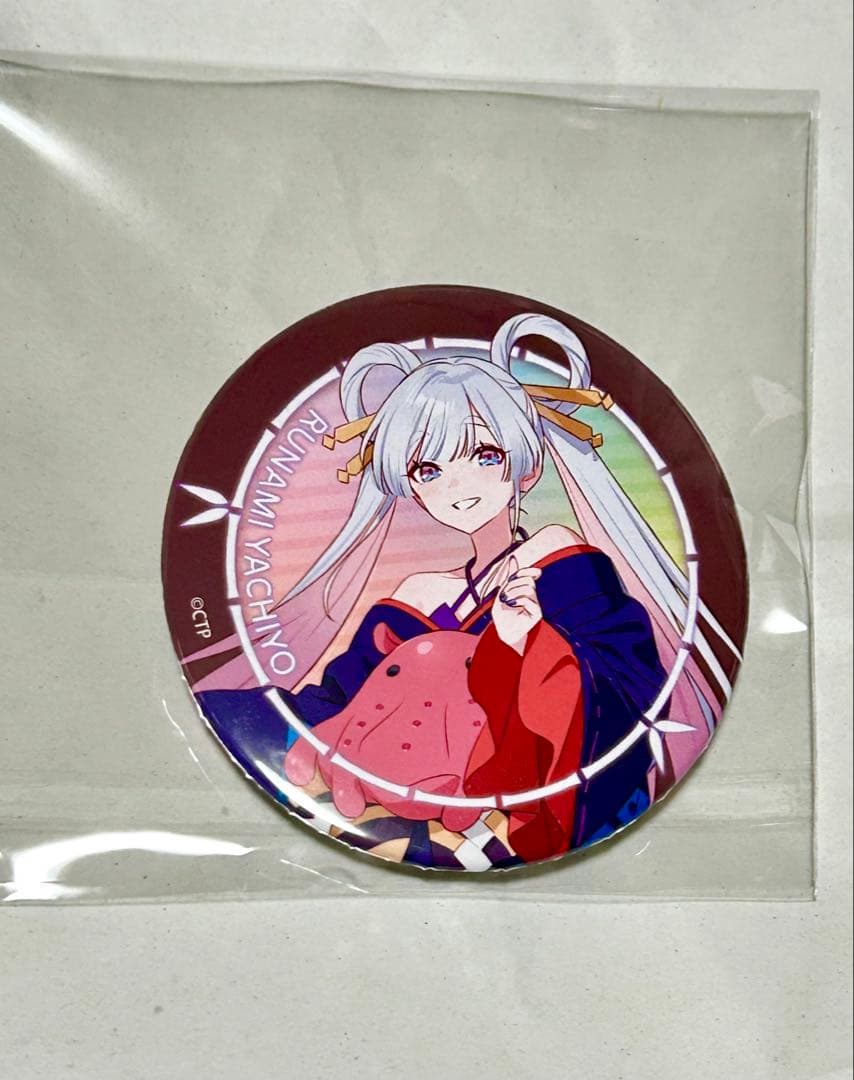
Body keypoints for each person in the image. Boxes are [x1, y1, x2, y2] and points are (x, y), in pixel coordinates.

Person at [197, 314, 739, 867]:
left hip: (518, 804)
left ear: (526, 470)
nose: (457, 485)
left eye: (485, 457)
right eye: (428, 469)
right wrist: (249, 719)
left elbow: (627, 691)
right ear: (412, 488)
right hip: (389, 800)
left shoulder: (560, 561)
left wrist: (529, 646)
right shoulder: (415, 594)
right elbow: (338, 702)